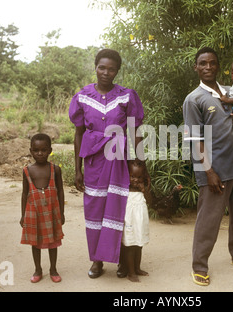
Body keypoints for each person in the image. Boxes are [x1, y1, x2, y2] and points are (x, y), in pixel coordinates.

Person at [69, 49, 149, 279]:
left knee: (118, 209)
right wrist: (78, 169)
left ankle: (124, 262)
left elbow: (135, 132)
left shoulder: (126, 96)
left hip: (118, 161)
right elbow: (78, 134)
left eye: (111, 69)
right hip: (93, 162)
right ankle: (97, 261)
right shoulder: (82, 97)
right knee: (94, 211)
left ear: (117, 71)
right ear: (95, 67)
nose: (106, 72)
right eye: (101, 67)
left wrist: (143, 165)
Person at [183, 47, 233, 287]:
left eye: (212, 63)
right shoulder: (194, 99)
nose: (208, 67)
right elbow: (195, 140)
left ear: (218, 66)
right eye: (202, 63)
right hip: (215, 171)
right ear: (196, 67)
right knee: (209, 220)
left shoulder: (231, 91)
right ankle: (200, 266)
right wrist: (209, 171)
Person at [20, 133, 65, 283]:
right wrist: (23, 215)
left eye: (44, 150)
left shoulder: (55, 170)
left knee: (53, 242)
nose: (40, 153)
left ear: (50, 150)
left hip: (52, 212)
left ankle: (53, 269)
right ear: (31, 151)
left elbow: (60, 191)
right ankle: (38, 269)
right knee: (35, 242)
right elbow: (25, 193)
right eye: (36, 150)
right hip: (34, 213)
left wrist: (62, 213)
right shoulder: (27, 170)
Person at [120, 159, 150, 282]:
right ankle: (131, 272)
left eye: (139, 177)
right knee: (130, 245)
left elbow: (150, 202)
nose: (135, 180)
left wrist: (144, 189)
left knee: (139, 244)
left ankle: (137, 268)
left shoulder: (142, 191)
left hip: (140, 221)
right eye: (132, 176)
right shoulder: (125, 191)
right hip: (130, 222)